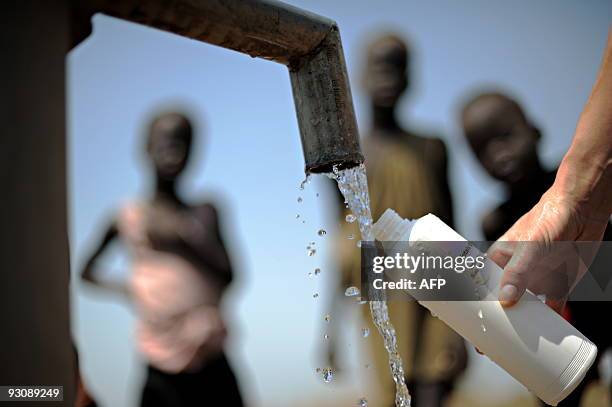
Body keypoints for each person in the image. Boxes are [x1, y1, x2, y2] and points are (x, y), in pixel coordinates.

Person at [332, 34, 466, 407]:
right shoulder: (346, 157)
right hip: (381, 298)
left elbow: (455, 236)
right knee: (395, 395)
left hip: (438, 294)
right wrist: (326, 330)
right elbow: (341, 245)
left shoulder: (432, 148)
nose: (387, 78)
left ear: (410, 78)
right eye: (379, 68)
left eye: (396, 68)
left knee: (434, 391)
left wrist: (469, 321)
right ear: (359, 77)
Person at [79, 112, 244, 407]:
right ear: (144, 148)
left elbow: (231, 275)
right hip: (159, 355)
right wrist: (128, 291)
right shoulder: (128, 217)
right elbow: (85, 272)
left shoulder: (206, 212)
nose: (174, 150)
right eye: (165, 141)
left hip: (210, 355)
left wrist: (184, 241)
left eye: (183, 143)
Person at [461, 90, 612, 405]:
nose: (498, 154)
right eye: (481, 149)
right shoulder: (495, 223)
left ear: (536, 131)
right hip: (556, 334)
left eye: (505, 136)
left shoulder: (580, 188)